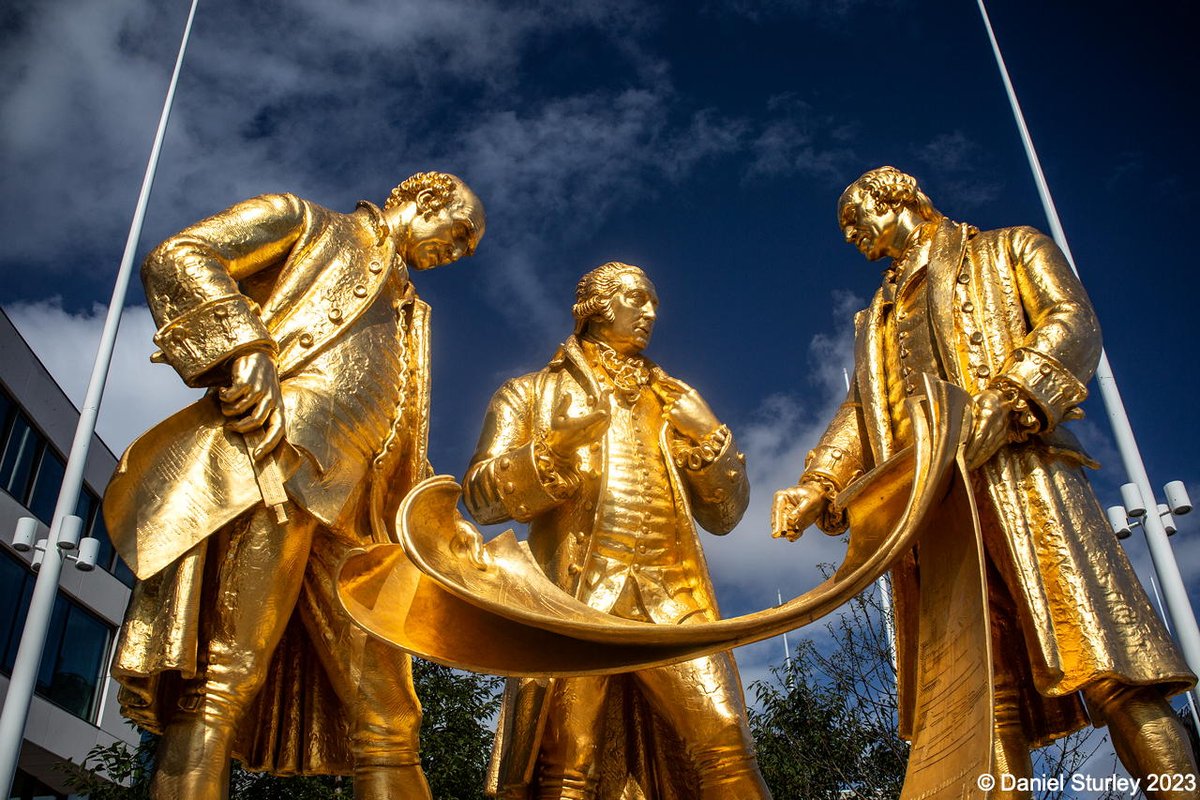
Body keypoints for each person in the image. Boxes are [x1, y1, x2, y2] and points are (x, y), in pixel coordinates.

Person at [771, 166, 1197, 798]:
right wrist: (817, 483)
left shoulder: (1009, 248)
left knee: (1110, 663)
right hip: (934, 519)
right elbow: (861, 412)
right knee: (977, 704)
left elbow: (1071, 320)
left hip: (1022, 482)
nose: (853, 234)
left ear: (901, 199)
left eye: (859, 217)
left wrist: (1010, 396)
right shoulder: (875, 322)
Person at [104, 172, 486, 800]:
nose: (462, 249)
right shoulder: (307, 222)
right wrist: (243, 348)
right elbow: (179, 255)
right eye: (462, 230)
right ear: (428, 200)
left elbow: (400, 437)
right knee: (225, 675)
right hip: (277, 465)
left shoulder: (412, 312)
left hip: (361, 520)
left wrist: (432, 524)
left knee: (391, 715)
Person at [463, 262, 770, 800]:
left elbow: (725, 517)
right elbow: (482, 497)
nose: (651, 312)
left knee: (725, 738)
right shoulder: (530, 393)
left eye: (653, 302)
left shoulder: (672, 399)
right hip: (574, 602)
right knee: (565, 762)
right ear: (596, 306)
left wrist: (711, 437)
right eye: (637, 299)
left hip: (673, 596)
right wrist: (549, 450)